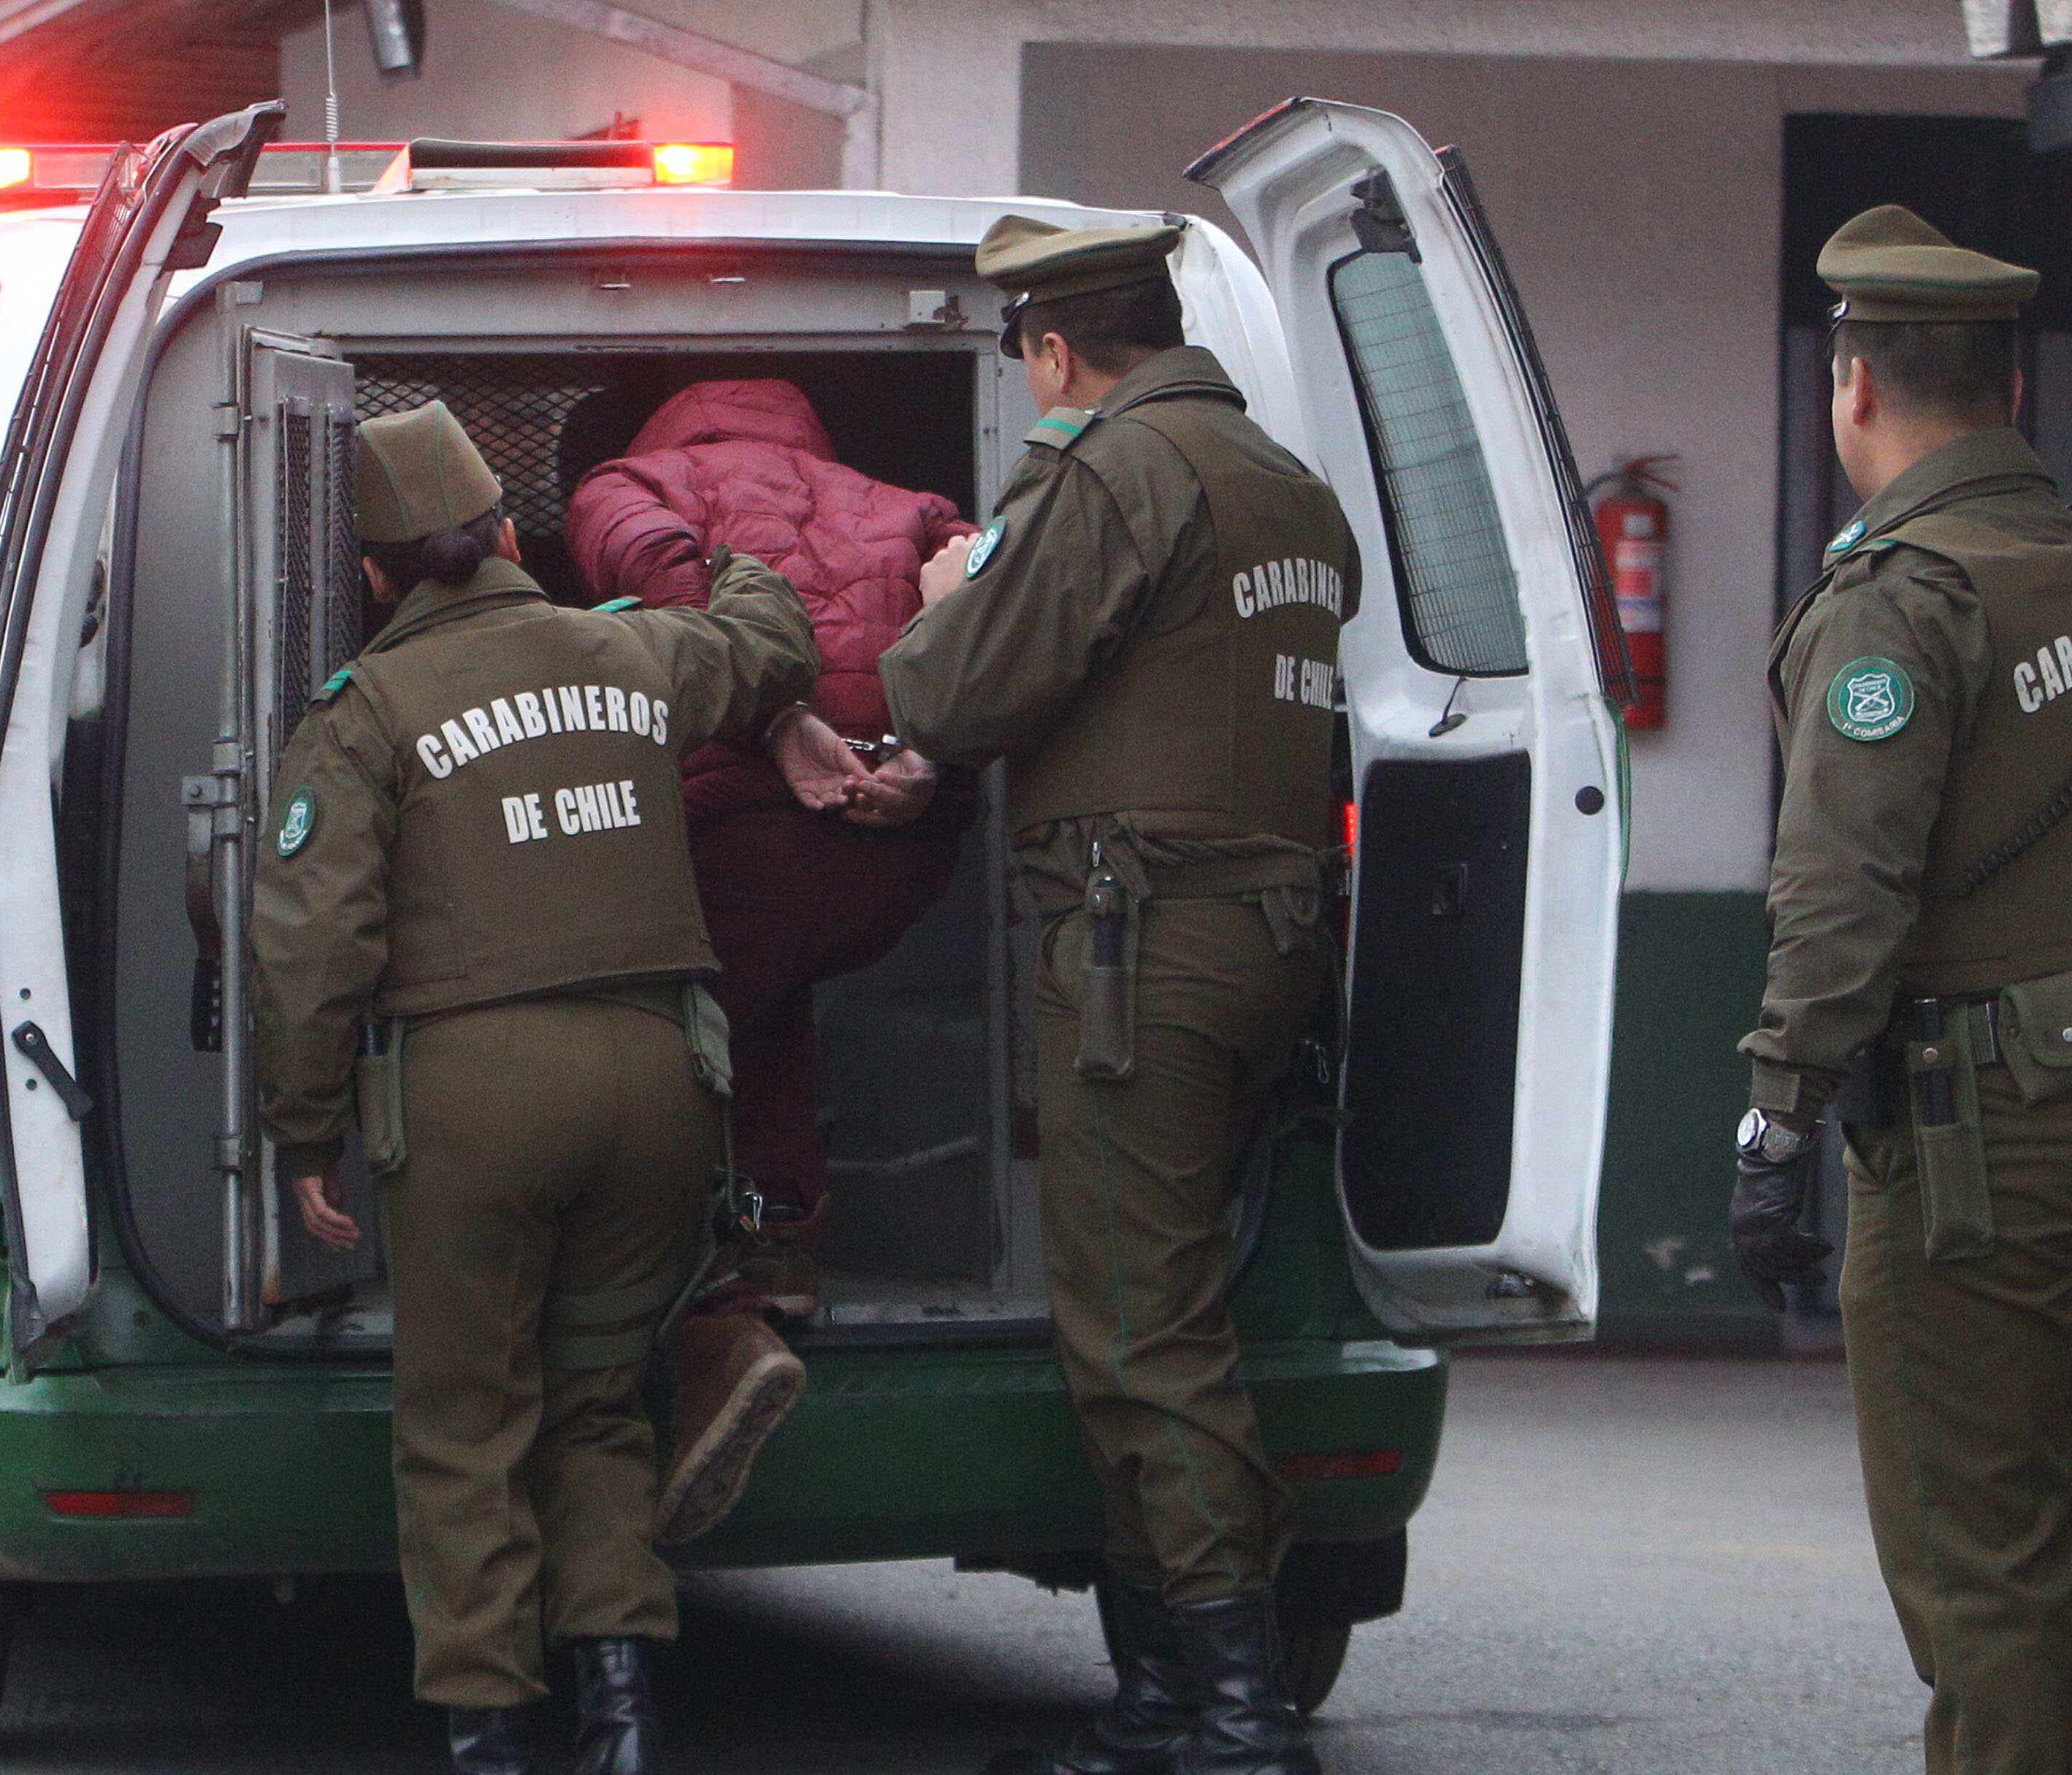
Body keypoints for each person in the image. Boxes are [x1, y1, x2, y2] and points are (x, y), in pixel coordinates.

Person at [252, 400, 817, 1775]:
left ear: (378, 577)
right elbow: (772, 639)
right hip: (663, 1085)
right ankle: (621, 1717)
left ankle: (491, 1735)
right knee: (601, 1401)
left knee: (466, 1423)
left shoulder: (369, 707)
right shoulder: (626, 644)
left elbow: (315, 938)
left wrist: (307, 1124)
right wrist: (719, 542)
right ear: (511, 536)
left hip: (476, 1098)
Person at [1729, 206, 2072, 1775]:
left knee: (1980, 1558)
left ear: (1853, 388)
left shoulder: (1900, 601)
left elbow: (1842, 886)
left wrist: (1779, 1110)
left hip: (1977, 1128)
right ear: (2008, 390)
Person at [879, 215, 1356, 1775]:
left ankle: (1235, 1705)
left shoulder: (1109, 473)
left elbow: (956, 696)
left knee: (1146, 1330)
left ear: (1054, 352)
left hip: (1144, 955)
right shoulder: (1284, 483)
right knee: (1168, 1305)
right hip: (1266, 943)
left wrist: (954, 588)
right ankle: (1163, 1696)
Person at [565, 375, 982, 1329]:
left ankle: (713, 1264)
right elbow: (993, 606)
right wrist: (932, 743)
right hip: (893, 851)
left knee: (684, 1049)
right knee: (762, 1021)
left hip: (728, 847)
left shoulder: (630, 483)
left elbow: (651, 571)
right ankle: (777, 1238)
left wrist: (775, 715)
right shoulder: (914, 507)